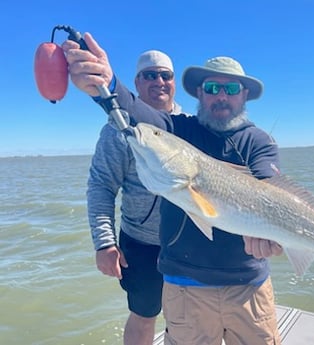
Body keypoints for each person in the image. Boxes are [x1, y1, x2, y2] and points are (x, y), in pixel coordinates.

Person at [64, 33, 283, 345]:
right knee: (143, 315)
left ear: (244, 95)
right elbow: (128, 132)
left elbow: (267, 183)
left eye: (231, 88)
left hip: (228, 269)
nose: (221, 95)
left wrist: (271, 229)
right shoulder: (159, 129)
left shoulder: (243, 138)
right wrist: (108, 86)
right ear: (199, 93)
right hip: (159, 258)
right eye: (212, 88)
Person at [87, 49, 183, 345]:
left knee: (188, 317)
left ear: (173, 82)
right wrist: (105, 243)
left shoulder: (190, 128)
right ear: (136, 84)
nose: (159, 81)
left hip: (188, 244)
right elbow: (101, 187)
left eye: (165, 75)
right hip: (141, 245)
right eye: (149, 75)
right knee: (144, 316)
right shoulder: (117, 131)